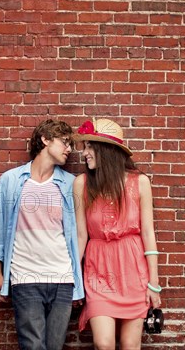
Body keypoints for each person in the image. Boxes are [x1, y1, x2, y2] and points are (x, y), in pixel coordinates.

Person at [0, 119, 85, 350]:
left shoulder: (70, 184)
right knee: (32, 346)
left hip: (62, 278)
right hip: (25, 276)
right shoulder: (11, 181)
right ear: (45, 140)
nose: (69, 149)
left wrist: (76, 279)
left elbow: (79, 234)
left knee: (54, 346)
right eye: (64, 142)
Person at [72, 118, 161, 350]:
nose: (85, 153)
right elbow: (81, 235)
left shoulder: (140, 182)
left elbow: (148, 234)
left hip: (133, 269)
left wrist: (154, 284)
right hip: (98, 268)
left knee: (131, 345)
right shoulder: (81, 184)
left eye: (90, 147)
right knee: (104, 343)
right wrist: (72, 277)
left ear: (106, 150)